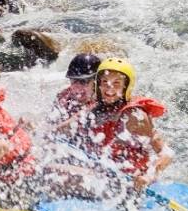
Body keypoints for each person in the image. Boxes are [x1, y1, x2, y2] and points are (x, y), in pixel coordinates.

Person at [46, 58, 172, 199]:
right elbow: (59, 130)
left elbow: (166, 153)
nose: (109, 88)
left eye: (116, 83)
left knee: (54, 173)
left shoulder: (134, 116)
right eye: (105, 82)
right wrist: (35, 133)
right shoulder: (96, 109)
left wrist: (148, 177)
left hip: (129, 184)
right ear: (98, 85)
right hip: (104, 173)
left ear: (126, 87)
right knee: (47, 160)